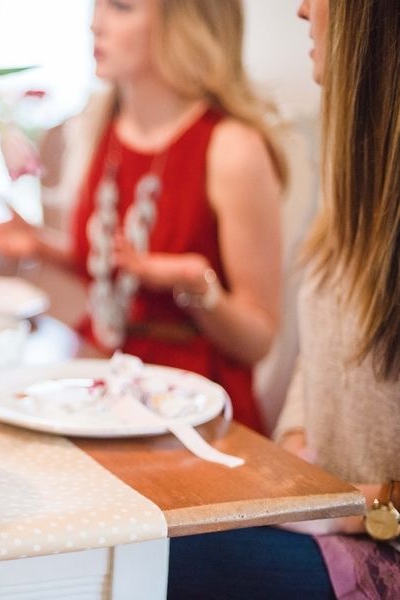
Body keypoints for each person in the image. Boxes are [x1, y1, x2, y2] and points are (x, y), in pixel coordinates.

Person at [168, 1, 400, 597]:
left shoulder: (231, 146)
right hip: (335, 516)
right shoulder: (357, 180)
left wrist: (372, 506)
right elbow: (318, 361)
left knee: (156, 551)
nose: (302, 9)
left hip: (378, 545)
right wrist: (296, 448)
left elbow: (257, 330)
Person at [0, 0, 285, 432]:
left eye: (121, 7)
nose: (94, 23)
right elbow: (123, 272)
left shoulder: (232, 147)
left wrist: (196, 284)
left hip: (192, 411)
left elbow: (258, 339)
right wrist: (40, 244)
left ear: (184, 25)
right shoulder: (101, 123)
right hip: (100, 386)